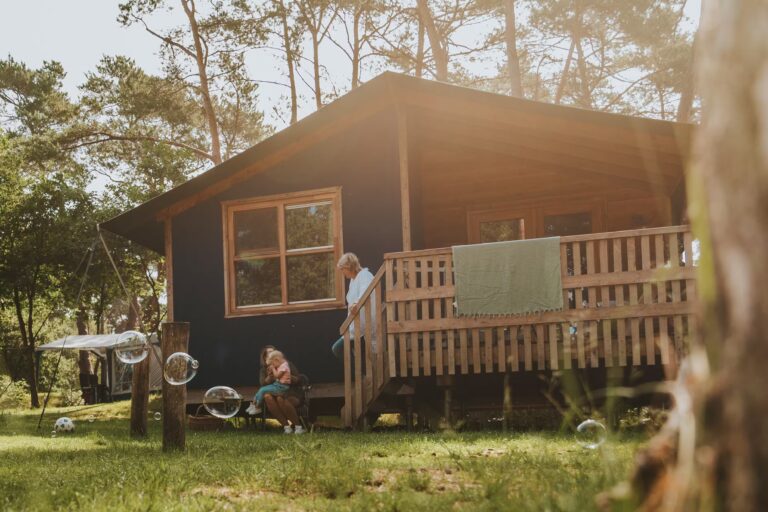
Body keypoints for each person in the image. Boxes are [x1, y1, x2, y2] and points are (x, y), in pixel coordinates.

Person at [249, 345, 305, 434]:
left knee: (280, 398)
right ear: (265, 358)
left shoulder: (286, 364)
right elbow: (263, 384)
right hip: (274, 392)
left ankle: (298, 427)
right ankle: (286, 427)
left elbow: (299, 380)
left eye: (274, 352)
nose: (272, 355)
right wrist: (270, 376)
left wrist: (286, 375)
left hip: (291, 392)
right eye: (269, 353)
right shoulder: (264, 369)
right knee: (267, 396)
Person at [331, 252, 375, 359]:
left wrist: (356, 303)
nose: (342, 272)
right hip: (355, 326)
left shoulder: (364, 275)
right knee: (357, 355)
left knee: (337, 348)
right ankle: (358, 368)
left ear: (349, 266)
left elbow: (365, 291)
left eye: (343, 269)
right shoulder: (353, 280)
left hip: (363, 326)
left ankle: (356, 368)